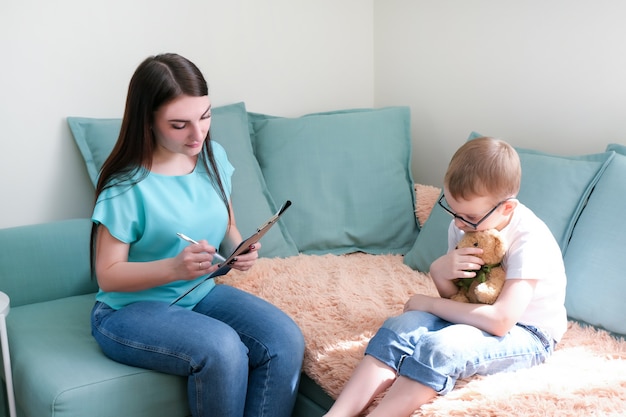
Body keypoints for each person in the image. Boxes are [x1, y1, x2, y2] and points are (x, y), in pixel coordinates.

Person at [89, 53, 305, 417]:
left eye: (204, 116)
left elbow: (227, 223)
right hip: (127, 311)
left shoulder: (212, 157)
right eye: (179, 124)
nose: (197, 133)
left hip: (200, 293)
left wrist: (239, 248)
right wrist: (173, 269)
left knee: (285, 339)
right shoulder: (125, 186)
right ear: (149, 121)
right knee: (223, 349)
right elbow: (108, 274)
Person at [324, 137, 567, 417]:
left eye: (469, 217)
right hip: (477, 314)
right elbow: (458, 299)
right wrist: (440, 273)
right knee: (400, 327)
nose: (460, 224)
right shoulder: (464, 225)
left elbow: (501, 321)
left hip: (527, 331)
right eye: (454, 212)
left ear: (507, 208)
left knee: (441, 347)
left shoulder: (529, 238)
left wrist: (428, 303)